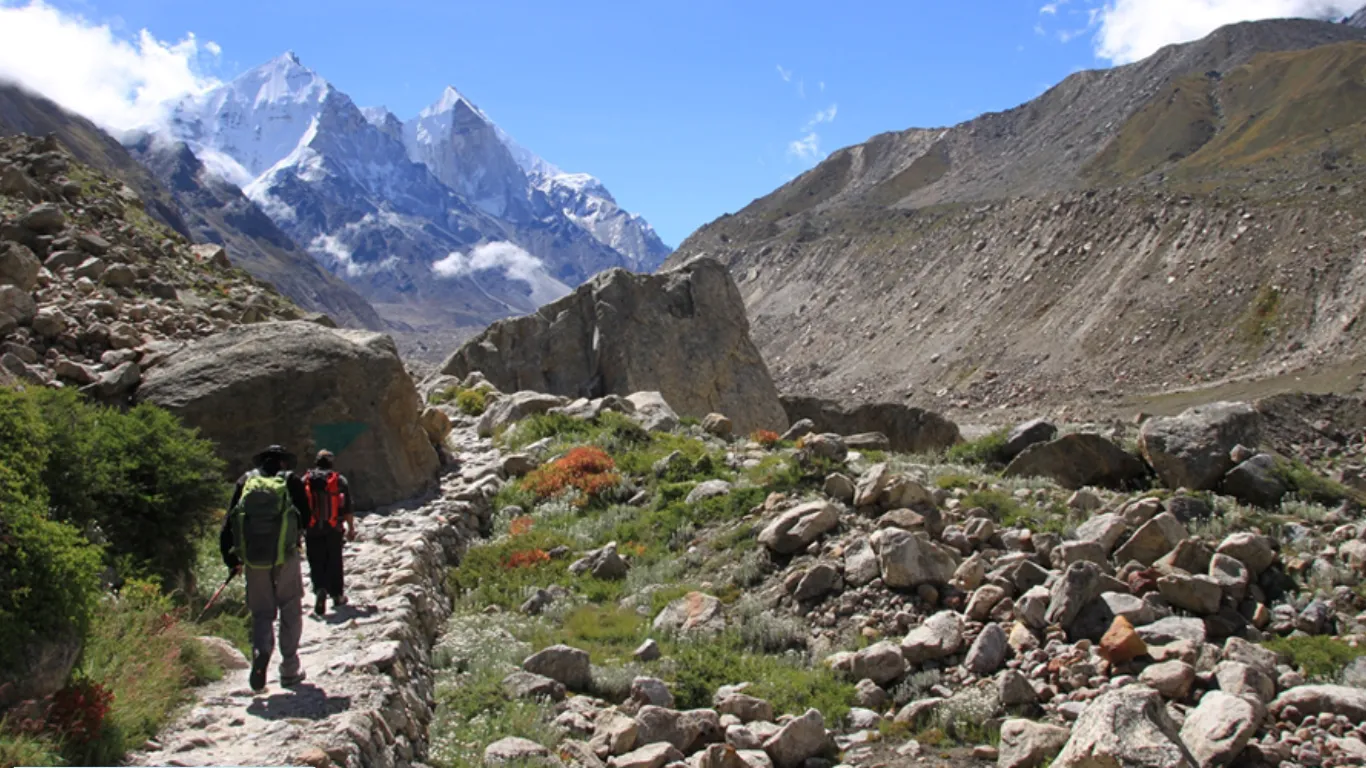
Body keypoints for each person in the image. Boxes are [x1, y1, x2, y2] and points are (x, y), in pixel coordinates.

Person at [220, 445, 313, 693]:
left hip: (254, 559)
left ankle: (261, 653)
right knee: (290, 606)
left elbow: (229, 520)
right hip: (286, 556)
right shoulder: (290, 480)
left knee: (261, 612)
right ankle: (290, 667)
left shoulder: (245, 481)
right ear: (283, 462)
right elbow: (306, 515)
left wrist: (232, 560)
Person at [302, 449, 357, 616]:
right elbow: (347, 507)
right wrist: (351, 527)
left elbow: (299, 506)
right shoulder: (339, 480)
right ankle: (337, 595)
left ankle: (320, 589)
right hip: (334, 527)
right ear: (331, 462)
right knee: (334, 559)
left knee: (315, 560)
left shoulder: (305, 480)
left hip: (311, 528)